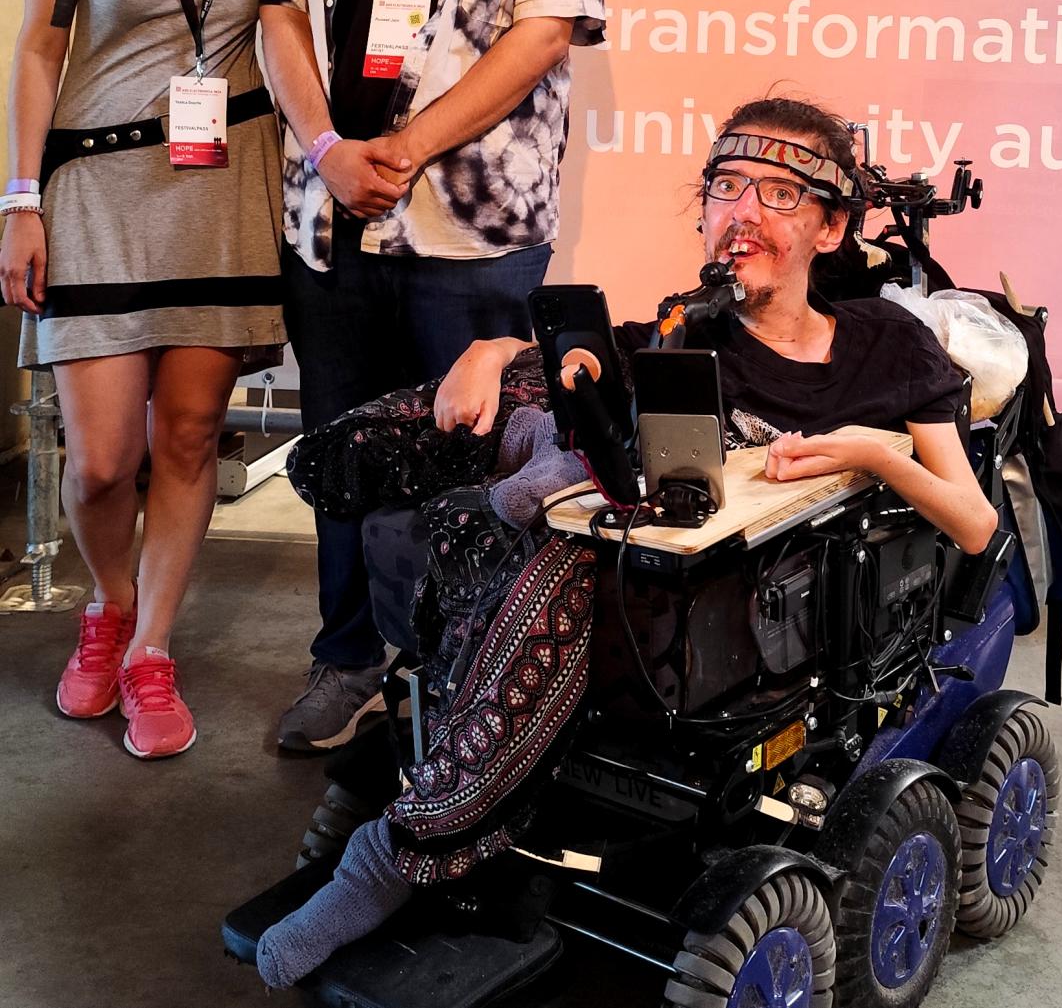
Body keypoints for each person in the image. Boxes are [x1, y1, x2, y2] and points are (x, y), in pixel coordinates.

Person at [252, 95, 997, 987]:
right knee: (547, 412)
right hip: (634, 528)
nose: (742, 211)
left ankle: (400, 850)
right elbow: (586, 373)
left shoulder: (887, 344)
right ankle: (489, 466)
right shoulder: (690, 330)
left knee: (563, 544)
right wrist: (492, 350)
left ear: (831, 228)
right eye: (726, 187)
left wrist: (878, 450)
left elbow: (975, 519)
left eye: (777, 193)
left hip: (736, 608)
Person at [259, 0, 605, 751]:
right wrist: (329, 152)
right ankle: (348, 657)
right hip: (334, 213)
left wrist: (401, 148)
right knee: (343, 444)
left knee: (474, 452)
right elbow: (275, 16)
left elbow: (545, 29)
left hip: (475, 221)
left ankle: (467, 680)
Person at [0, 0, 288, 760]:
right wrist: (18, 196)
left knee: (189, 437)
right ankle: (107, 604)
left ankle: (154, 647)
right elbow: (38, 42)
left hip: (221, 195)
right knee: (102, 454)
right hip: (98, 192)